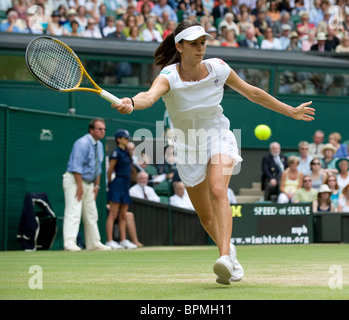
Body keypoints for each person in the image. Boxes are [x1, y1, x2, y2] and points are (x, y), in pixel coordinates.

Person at [111, 19, 315, 285]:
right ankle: (230, 253)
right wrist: (130, 102)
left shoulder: (218, 68)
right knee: (206, 217)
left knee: (219, 190)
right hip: (187, 149)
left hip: (218, 136)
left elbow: (252, 93)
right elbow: (149, 97)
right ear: (180, 46)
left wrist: (291, 111)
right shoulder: (168, 77)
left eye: (203, 42)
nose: (200, 48)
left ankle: (224, 259)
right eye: (194, 44)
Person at [62, 118, 111, 251]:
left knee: (91, 214)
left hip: (90, 184)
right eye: (100, 129)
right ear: (91, 130)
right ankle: (69, 243)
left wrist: (97, 186)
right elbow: (76, 167)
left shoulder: (99, 145)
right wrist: (79, 186)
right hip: (74, 181)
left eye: (104, 129)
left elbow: (98, 168)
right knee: (74, 212)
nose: (103, 131)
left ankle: (94, 243)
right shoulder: (82, 143)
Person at [106, 129, 136, 250]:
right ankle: (109, 241)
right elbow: (110, 170)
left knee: (123, 215)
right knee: (113, 214)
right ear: (119, 139)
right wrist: (110, 184)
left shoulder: (127, 153)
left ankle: (123, 240)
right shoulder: (116, 153)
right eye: (125, 138)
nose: (127, 140)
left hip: (125, 185)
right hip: (117, 184)